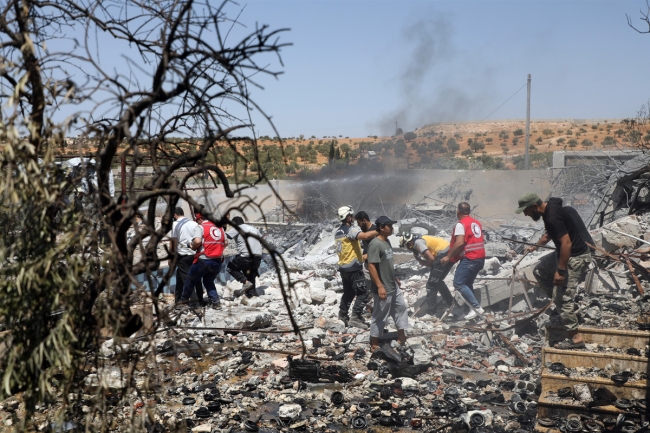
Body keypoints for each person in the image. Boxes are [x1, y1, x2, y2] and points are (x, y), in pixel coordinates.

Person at [515, 192, 592, 349]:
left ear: (534, 206)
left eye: (526, 210)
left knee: (562, 298)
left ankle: (576, 339)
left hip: (575, 257)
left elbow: (566, 244)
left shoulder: (552, 216)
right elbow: (550, 234)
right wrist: (535, 246)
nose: (525, 214)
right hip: (564, 253)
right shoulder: (549, 208)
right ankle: (562, 306)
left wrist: (560, 271)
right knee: (540, 272)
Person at [367, 216, 408, 351]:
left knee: (401, 307)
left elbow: (387, 263)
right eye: (389, 226)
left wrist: (394, 278)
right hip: (383, 287)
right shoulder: (375, 244)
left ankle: (401, 336)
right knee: (380, 315)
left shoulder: (387, 241)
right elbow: (371, 266)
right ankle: (374, 343)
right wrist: (380, 286)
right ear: (381, 228)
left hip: (392, 285)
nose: (392, 228)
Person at [440, 202, 486, 320]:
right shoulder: (476, 222)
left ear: (458, 212)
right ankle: (469, 310)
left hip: (470, 258)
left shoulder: (461, 224)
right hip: (480, 258)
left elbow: (460, 243)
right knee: (467, 284)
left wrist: (448, 257)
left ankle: (476, 307)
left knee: (459, 283)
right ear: (469, 211)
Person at [335, 206, 378, 329]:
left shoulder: (338, 232)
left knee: (348, 293)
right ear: (349, 217)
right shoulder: (350, 230)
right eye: (351, 216)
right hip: (354, 268)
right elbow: (365, 236)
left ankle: (342, 315)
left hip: (343, 268)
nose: (353, 218)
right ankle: (355, 317)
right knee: (363, 293)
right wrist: (379, 231)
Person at [178, 207, 227, 309]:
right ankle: (216, 302)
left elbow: (197, 241)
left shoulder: (200, 227)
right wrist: (216, 249)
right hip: (218, 261)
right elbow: (225, 243)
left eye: (197, 220)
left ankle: (183, 302)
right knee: (208, 281)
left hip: (204, 259)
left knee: (190, 280)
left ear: (200, 219)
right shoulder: (220, 227)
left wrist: (192, 246)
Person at [400, 232, 454, 315]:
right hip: (447, 252)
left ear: (409, 243)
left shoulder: (418, 243)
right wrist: (421, 260)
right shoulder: (420, 240)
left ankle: (431, 313)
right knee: (438, 281)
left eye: (408, 247)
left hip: (442, 254)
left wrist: (423, 262)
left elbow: (431, 259)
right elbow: (432, 263)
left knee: (431, 285)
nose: (410, 249)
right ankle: (451, 303)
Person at [170, 207, 204, 304]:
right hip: (195, 254)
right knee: (185, 277)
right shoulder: (194, 223)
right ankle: (180, 300)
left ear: (174, 215)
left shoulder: (175, 224)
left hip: (183, 255)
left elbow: (173, 242)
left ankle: (195, 303)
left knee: (186, 280)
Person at [226, 216, 264, 298]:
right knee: (250, 274)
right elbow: (262, 240)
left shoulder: (237, 227)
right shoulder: (254, 229)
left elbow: (226, 236)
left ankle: (245, 282)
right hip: (258, 255)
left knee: (230, 267)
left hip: (246, 255)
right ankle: (252, 294)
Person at [354, 210, 378, 313]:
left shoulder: (375, 230)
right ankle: (369, 309)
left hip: (376, 265)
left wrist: (367, 256)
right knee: (368, 288)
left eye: (359, 223)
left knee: (377, 286)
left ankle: (378, 309)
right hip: (367, 265)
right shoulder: (364, 232)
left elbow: (379, 249)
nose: (358, 225)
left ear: (364, 220)